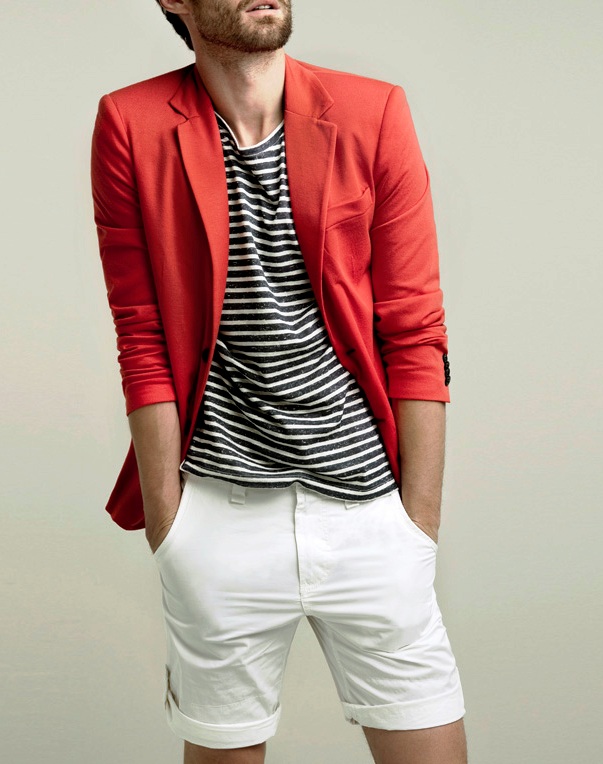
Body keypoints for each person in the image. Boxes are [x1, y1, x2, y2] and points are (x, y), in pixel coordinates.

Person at [90, 0, 468, 761]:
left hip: (369, 514)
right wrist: (171, 525)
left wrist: (416, 526)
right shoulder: (131, 122)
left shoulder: (373, 112)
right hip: (218, 519)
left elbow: (415, 326)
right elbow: (142, 332)